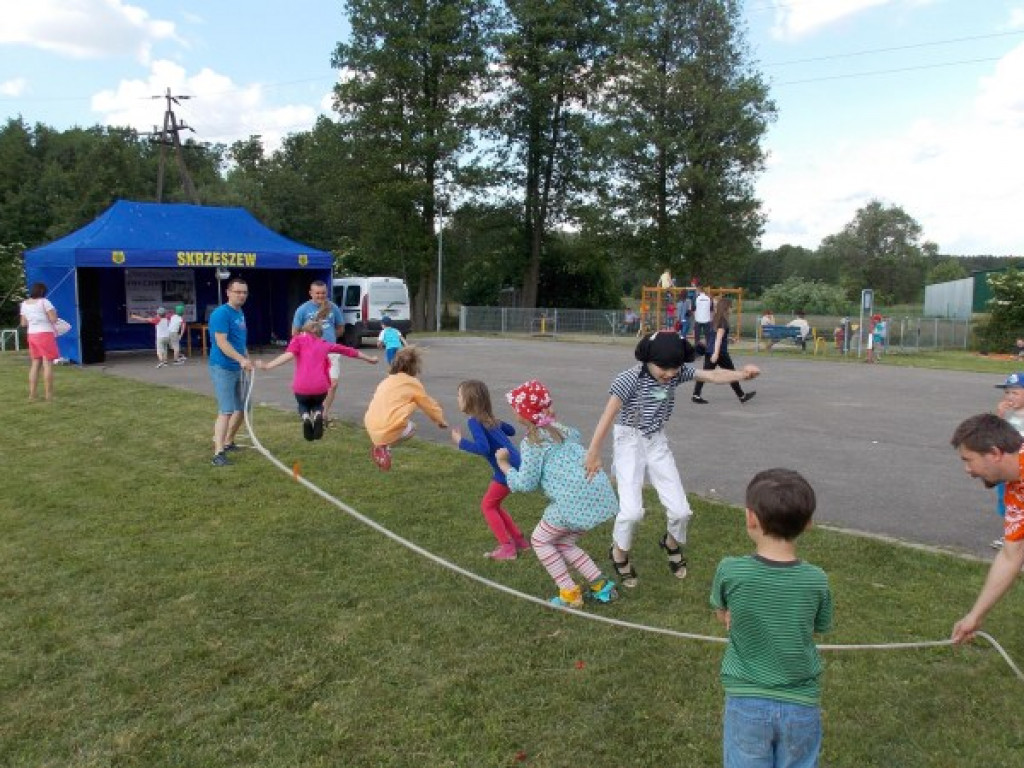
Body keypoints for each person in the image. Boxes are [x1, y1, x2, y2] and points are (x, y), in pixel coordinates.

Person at [584, 331, 761, 588]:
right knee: (631, 512)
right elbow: (607, 415)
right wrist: (593, 453)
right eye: (663, 368)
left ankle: (671, 542)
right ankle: (619, 553)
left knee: (681, 510)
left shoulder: (677, 374)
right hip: (629, 442)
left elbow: (712, 374)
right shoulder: (628, 379)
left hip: (656, 442)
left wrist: (743, 374)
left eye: (674, 368)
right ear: (647, 359)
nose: (669, 374)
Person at [710, 468, 834, 768]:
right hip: (801, 705)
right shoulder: (816, 580)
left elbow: (721, 612)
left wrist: (729, 616)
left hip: (746, 702)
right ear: (808, 524)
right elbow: (820, 626)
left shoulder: (730, 571)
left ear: (751, 517)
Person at [497, 380, 619, 607]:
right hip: (597, 494)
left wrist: (505, 466)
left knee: (540, 540)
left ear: (524, 414)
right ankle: (601, 587)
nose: (514, 412)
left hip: (572, 502)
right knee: (564, 543)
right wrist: (552, 421)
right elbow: (576, 435)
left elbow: (526, 483)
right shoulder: (563, 430)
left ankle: (569, 593)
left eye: (515, 409)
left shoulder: (532, 444)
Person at [949, 413, 1024, 646]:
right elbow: (1011, 555)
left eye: (968, 460)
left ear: (994, 453)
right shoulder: (1016, 486)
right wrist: (975, 616)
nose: (967, 470)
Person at [258, 319, 378, 441]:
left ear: (305, 331)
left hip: (302, 386)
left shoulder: (297, 341)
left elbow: (287, 356)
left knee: (303, 404)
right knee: (317, 404)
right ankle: (318, 415)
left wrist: (268, 366)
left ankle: (305, 417)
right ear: (320, 334)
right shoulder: (325, 344)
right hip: (320, 386)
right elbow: (349, 351)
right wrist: (369, 358)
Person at [451, 380, 530, 560]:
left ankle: (507, 548)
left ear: (469, 400)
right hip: (515, 465)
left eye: (459, 396)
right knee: (494, 504)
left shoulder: (474, 422)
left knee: (487, 506)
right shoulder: (489, 419)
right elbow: (510, 431)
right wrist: (497, 422)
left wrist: (460, 442)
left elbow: (483, 448)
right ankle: (519, 541)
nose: (457, 399)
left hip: (505, 469)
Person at [364, 346, 448, 471]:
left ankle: (382, 446)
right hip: (387, 426)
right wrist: (440, 420)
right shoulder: (413, 383)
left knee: (402, 414)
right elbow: (428, 405)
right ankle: (384, 447)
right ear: (415, 367)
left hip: (370, 423)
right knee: (412, 428)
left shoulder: (386, 381)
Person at [208, 278, 254, 467]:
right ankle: (218, 453)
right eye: (238, 292)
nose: (241, 295)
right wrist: (241, 359)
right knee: (226, 410)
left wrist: (246, 358)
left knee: (244, 407)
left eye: (244, 292)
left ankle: (228, 441)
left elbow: (239, 341)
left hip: (239, 367)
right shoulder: (221, 314)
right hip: (223, 367)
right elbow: (222, 342)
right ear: (228, 292)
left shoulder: (239, 312)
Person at [292, 280, 345, 425]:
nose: (321, 296)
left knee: (333, 383)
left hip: (330, 351)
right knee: (314, 384)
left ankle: (324, 414)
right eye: (317, 293)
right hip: (311, 354)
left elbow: (340, 328)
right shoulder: (302, 309)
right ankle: (310, 413)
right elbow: (295, 332)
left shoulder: (333, 308)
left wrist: (329, 339)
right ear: (311, 293)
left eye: (323, 293)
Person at [692, 297, 756, 405]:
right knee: (731, 374)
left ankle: (696, 395)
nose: (732, 309)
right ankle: (742, 396)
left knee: (705, 374)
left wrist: (729, 339)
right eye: (731, 307)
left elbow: (715, 335)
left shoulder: (714, 320)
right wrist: (716, 353)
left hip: (709, 351)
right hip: (720, 353)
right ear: (726, 308)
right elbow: (718, 338)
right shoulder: (723, 321)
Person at [990, 373, 1024, 549]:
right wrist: (1000, 417)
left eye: (1015, 393)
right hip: (1008, 470)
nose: (1010, 397)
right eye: (1007, 393)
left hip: (1021, 471)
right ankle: (1010, 537)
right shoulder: (1007, 417)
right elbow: (996, 438)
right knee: (1006, 503)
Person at [19, 282, 60, 402]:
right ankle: (49, 395)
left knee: (35, 363)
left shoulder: (24, 304)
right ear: (43, 292)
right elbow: (54, 319)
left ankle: (32, 395)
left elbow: (23, 323)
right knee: (47, 364)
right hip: (45, 334)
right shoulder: (45, 302)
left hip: (32, 334)